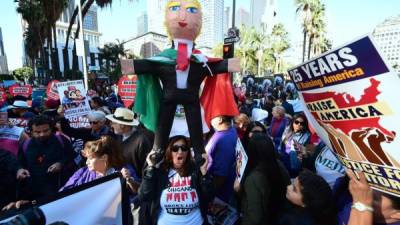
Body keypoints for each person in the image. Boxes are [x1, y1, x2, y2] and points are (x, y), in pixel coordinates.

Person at [120, 0, 240, 166]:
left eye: (191, 10)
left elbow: (220, 65)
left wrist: (231, 64)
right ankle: (158, 151)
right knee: (163, 127)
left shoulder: (201, 61)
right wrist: (129, 66)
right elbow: (146, 64)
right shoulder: (163, 59)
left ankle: (199, 153)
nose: (183, 16)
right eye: (175, 9)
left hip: (191, 100)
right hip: (169, 99)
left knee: (195, 128)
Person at [139, 135, 213, 225]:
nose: (180, 151)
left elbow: (209, 196)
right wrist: (150, 168)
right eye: (175, 148)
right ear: (169, 151)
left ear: (188, 151)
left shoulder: (196, 170)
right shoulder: (160, 172)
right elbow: (144, 196)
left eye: (184, 148)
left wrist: (204, 174)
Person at [16, 115, 76, 200]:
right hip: (33, 192)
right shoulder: (26, 144)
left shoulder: (61, 140)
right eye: (37, 132)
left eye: (45, 131)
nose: (42, 134)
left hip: (59, 190)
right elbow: (20, 162)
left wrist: (61, 164)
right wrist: (20, 169)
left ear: (51, 129)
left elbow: (72, 157)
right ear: (31, 132)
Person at [237, 133, 290, 225]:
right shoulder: (279, 165)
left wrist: (238, 191)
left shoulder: (253, 179)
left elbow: (254, 218)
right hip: (277, 216)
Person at [60, 136, 137, 193]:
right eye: (87, 158)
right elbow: (63, 193)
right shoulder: (82, 173)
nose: (87, 162)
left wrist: (129, 180)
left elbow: (137, 191)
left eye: (90, 158)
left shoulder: (123, 170)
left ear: (104, 157)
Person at [106, 108, 153, 179]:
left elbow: (147, 167)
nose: (112, 126)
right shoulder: (119, 136)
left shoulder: (142, 140)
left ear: (122, 125)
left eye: (114, 123)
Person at [205, 115, 237, 203]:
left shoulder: (222, 138)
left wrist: (209, 194)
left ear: (220, 120)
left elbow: (221, 174)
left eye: (212, 116)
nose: (210, 117)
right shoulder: (231, 130)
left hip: (218, 192)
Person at [280, 113, 311, 177]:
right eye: (296, 122)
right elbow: (283, 144)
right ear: (293, 122)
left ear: (304, 125)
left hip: (294, 164)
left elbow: (303, 153)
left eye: (301, 123)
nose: (299, 125)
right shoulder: (288, 129)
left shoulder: (307, 135)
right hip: (284, 159)